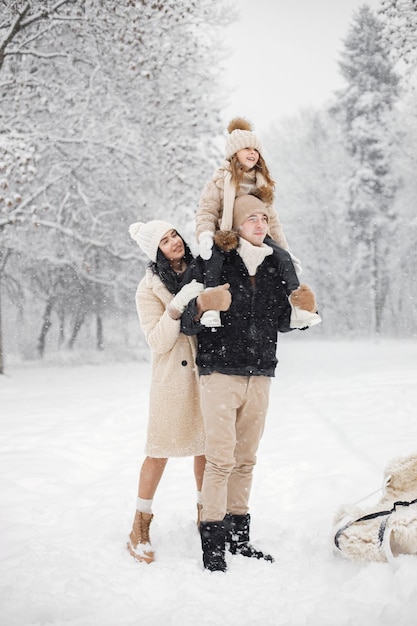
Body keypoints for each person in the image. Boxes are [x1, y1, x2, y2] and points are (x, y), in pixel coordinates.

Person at [182, 194, 320, 572]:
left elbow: (280, 322)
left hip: (260, 373)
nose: (260, 224)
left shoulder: (277, 265)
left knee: (246, 460)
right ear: (237, 226)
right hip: (220, 373)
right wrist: (202, 305)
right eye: (251, 219)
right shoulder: (213, 262)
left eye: (264, 218)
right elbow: (185, 321)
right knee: (220, 460)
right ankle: (212, 546)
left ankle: (238, 539)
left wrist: (304, 310)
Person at [127, 219, 207, 564]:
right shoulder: (148, 289)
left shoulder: (203, 268)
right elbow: (157, 341)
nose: (174, 241)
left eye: (174, 234)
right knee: (158, 450)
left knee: (207, 447)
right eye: (164, 240)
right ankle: (139, 525)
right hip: (172, 377)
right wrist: (176, 307)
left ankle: (208, 516)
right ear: (155, 251)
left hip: (207, 371)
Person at [196, 117, 320, 330]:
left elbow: (272, 221)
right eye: (246, 148)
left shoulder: (261, 183)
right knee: (214, 260)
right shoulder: (219, 181)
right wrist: (205, 234)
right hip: (227, 233)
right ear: (234, 153)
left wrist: (285, 250)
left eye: (256, 149)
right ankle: (212, 307)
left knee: (282, 257)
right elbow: (207, 210)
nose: (252, 153)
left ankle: (299, 307)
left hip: (256, 233)